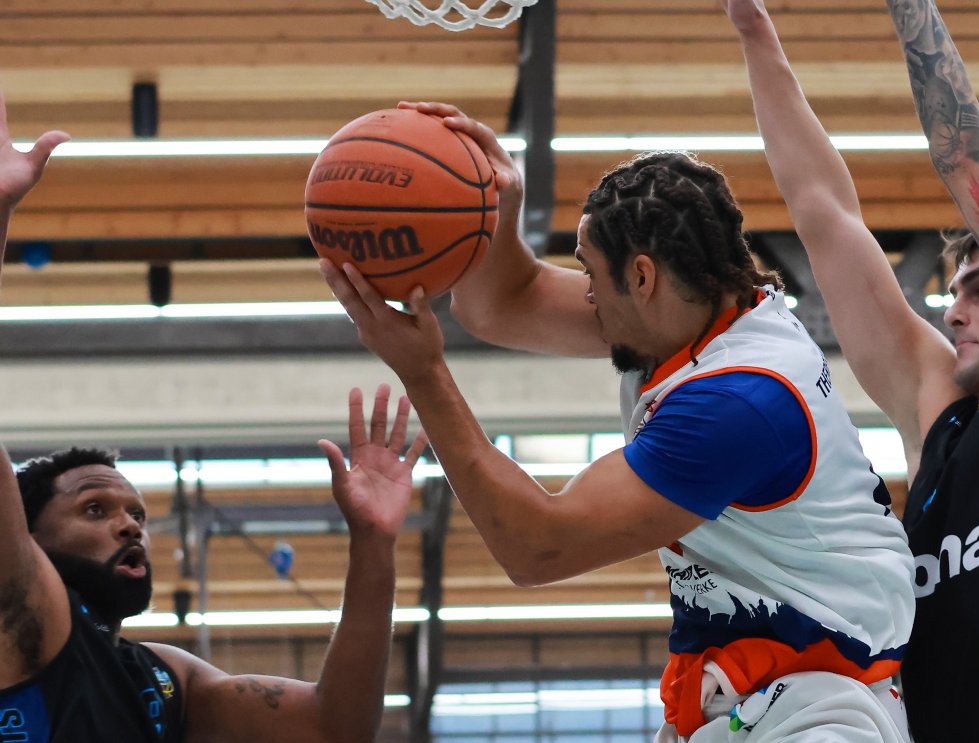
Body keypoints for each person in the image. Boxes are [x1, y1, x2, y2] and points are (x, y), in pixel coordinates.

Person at [319, 42, 915, 743]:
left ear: (641, 276)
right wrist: (493, 212)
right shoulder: (691, 316)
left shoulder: (738, 403)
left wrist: (423, 373)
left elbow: (537, 547)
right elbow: (504, 303)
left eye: (589, 272)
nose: (583, 292)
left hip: (823, 706)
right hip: (748, 696)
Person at [723, 0, 979, 739]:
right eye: (953, 294)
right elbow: (825, 214)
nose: (953, 313)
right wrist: (754, 32)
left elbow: (970, 162)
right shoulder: (941, 411)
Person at [0, 92, 429, 742]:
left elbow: (334, 727)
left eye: (137, 514)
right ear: (26, 537)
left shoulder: (162, 679)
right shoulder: (23, 614)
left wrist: (373, 543)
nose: (128, 525)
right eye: (95, 509)